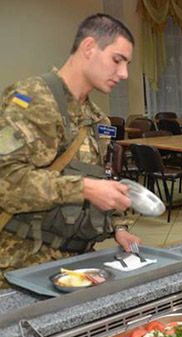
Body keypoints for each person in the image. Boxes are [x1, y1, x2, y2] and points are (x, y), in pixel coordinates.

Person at [0, 13, 140, 288]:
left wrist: (118, 227)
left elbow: (101, 179)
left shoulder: (97, 119)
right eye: (117, 60)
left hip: (75, 265)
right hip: (21, 268)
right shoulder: (33, 99)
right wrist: (84, 189)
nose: (124, 74)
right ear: (89, 47)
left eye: (127, 64)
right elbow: (6, 182)